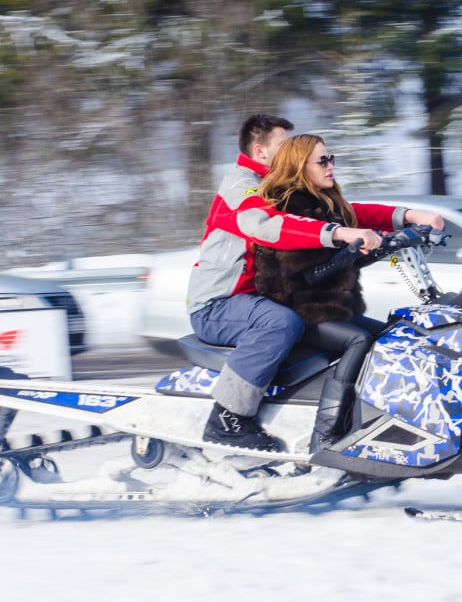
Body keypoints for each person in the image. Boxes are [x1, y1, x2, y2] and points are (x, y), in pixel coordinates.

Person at [187, 114, 398, 452]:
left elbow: (344, 211)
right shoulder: (242, 187)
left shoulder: (278, 185)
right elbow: (268, 224)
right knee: (281, 321)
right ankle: (227, 419)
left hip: (260, 298)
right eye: (284, 145)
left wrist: (401, 220)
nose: (293, 152)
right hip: (220, 303)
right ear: (259, 150)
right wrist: (338, 235)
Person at [254, 134, 444, 452]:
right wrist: (359, 248)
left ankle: (381, 425)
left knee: (395, 336)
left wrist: (398, 237)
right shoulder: (289, 208)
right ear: (300, 166)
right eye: (322, 161)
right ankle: (326, 436)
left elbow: (355, 240)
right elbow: (311, 274)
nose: (330, 166)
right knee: (358, 341)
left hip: (334, 306)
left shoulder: (328, 202)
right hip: (300, 307)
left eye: (331, 159)